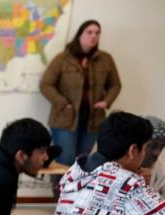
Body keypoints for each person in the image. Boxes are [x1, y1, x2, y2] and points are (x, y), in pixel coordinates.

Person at [41, 20, 121, 165]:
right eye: (89, 32)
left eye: (97, 33)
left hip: (93, 121)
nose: (94, 36)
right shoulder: (63, 59)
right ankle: (59, 188)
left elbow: (115, 84)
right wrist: (63, 103)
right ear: (80, 35)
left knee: (82, 163)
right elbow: (46, 85)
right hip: (65, 120)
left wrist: (106, 101)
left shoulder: (105, 59)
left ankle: (76, 188)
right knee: (65, 161)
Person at [143, 116, 165, 202]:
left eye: (162, 147)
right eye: (153, 146)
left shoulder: (163, 174)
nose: (157, 153)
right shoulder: (116, 165)